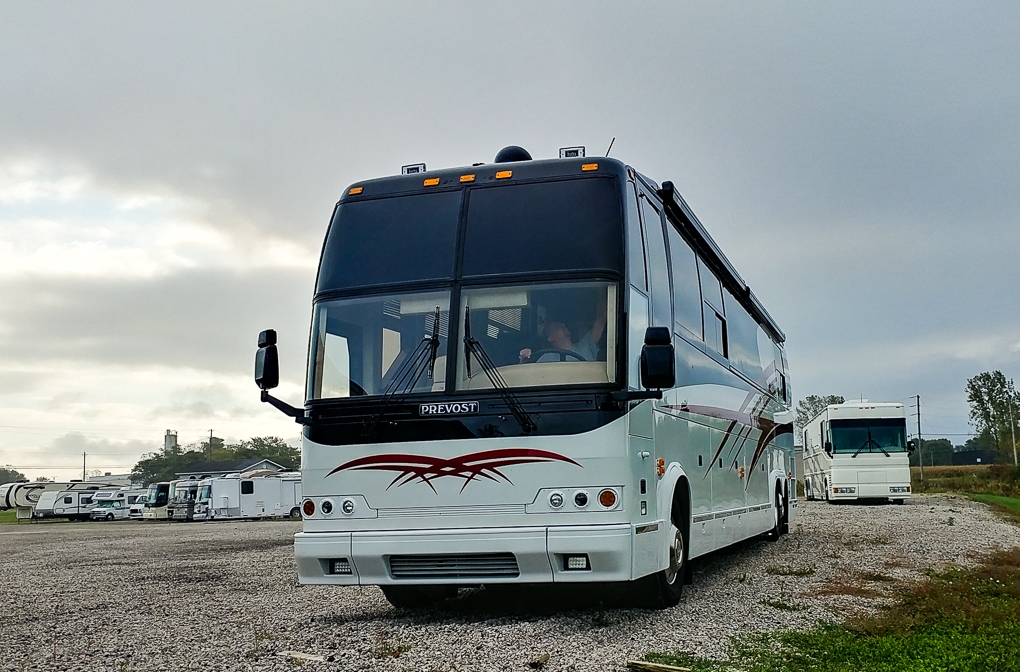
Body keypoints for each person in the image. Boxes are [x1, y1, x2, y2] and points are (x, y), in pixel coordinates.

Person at [519, 298, 606, 363]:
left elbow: (601, 319)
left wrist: (601, 288)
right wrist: (525, 360)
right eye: (557, 325)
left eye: (562, 324)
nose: (563, 325)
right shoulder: (546, 358)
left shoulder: (586, 345)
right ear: (550, 338)